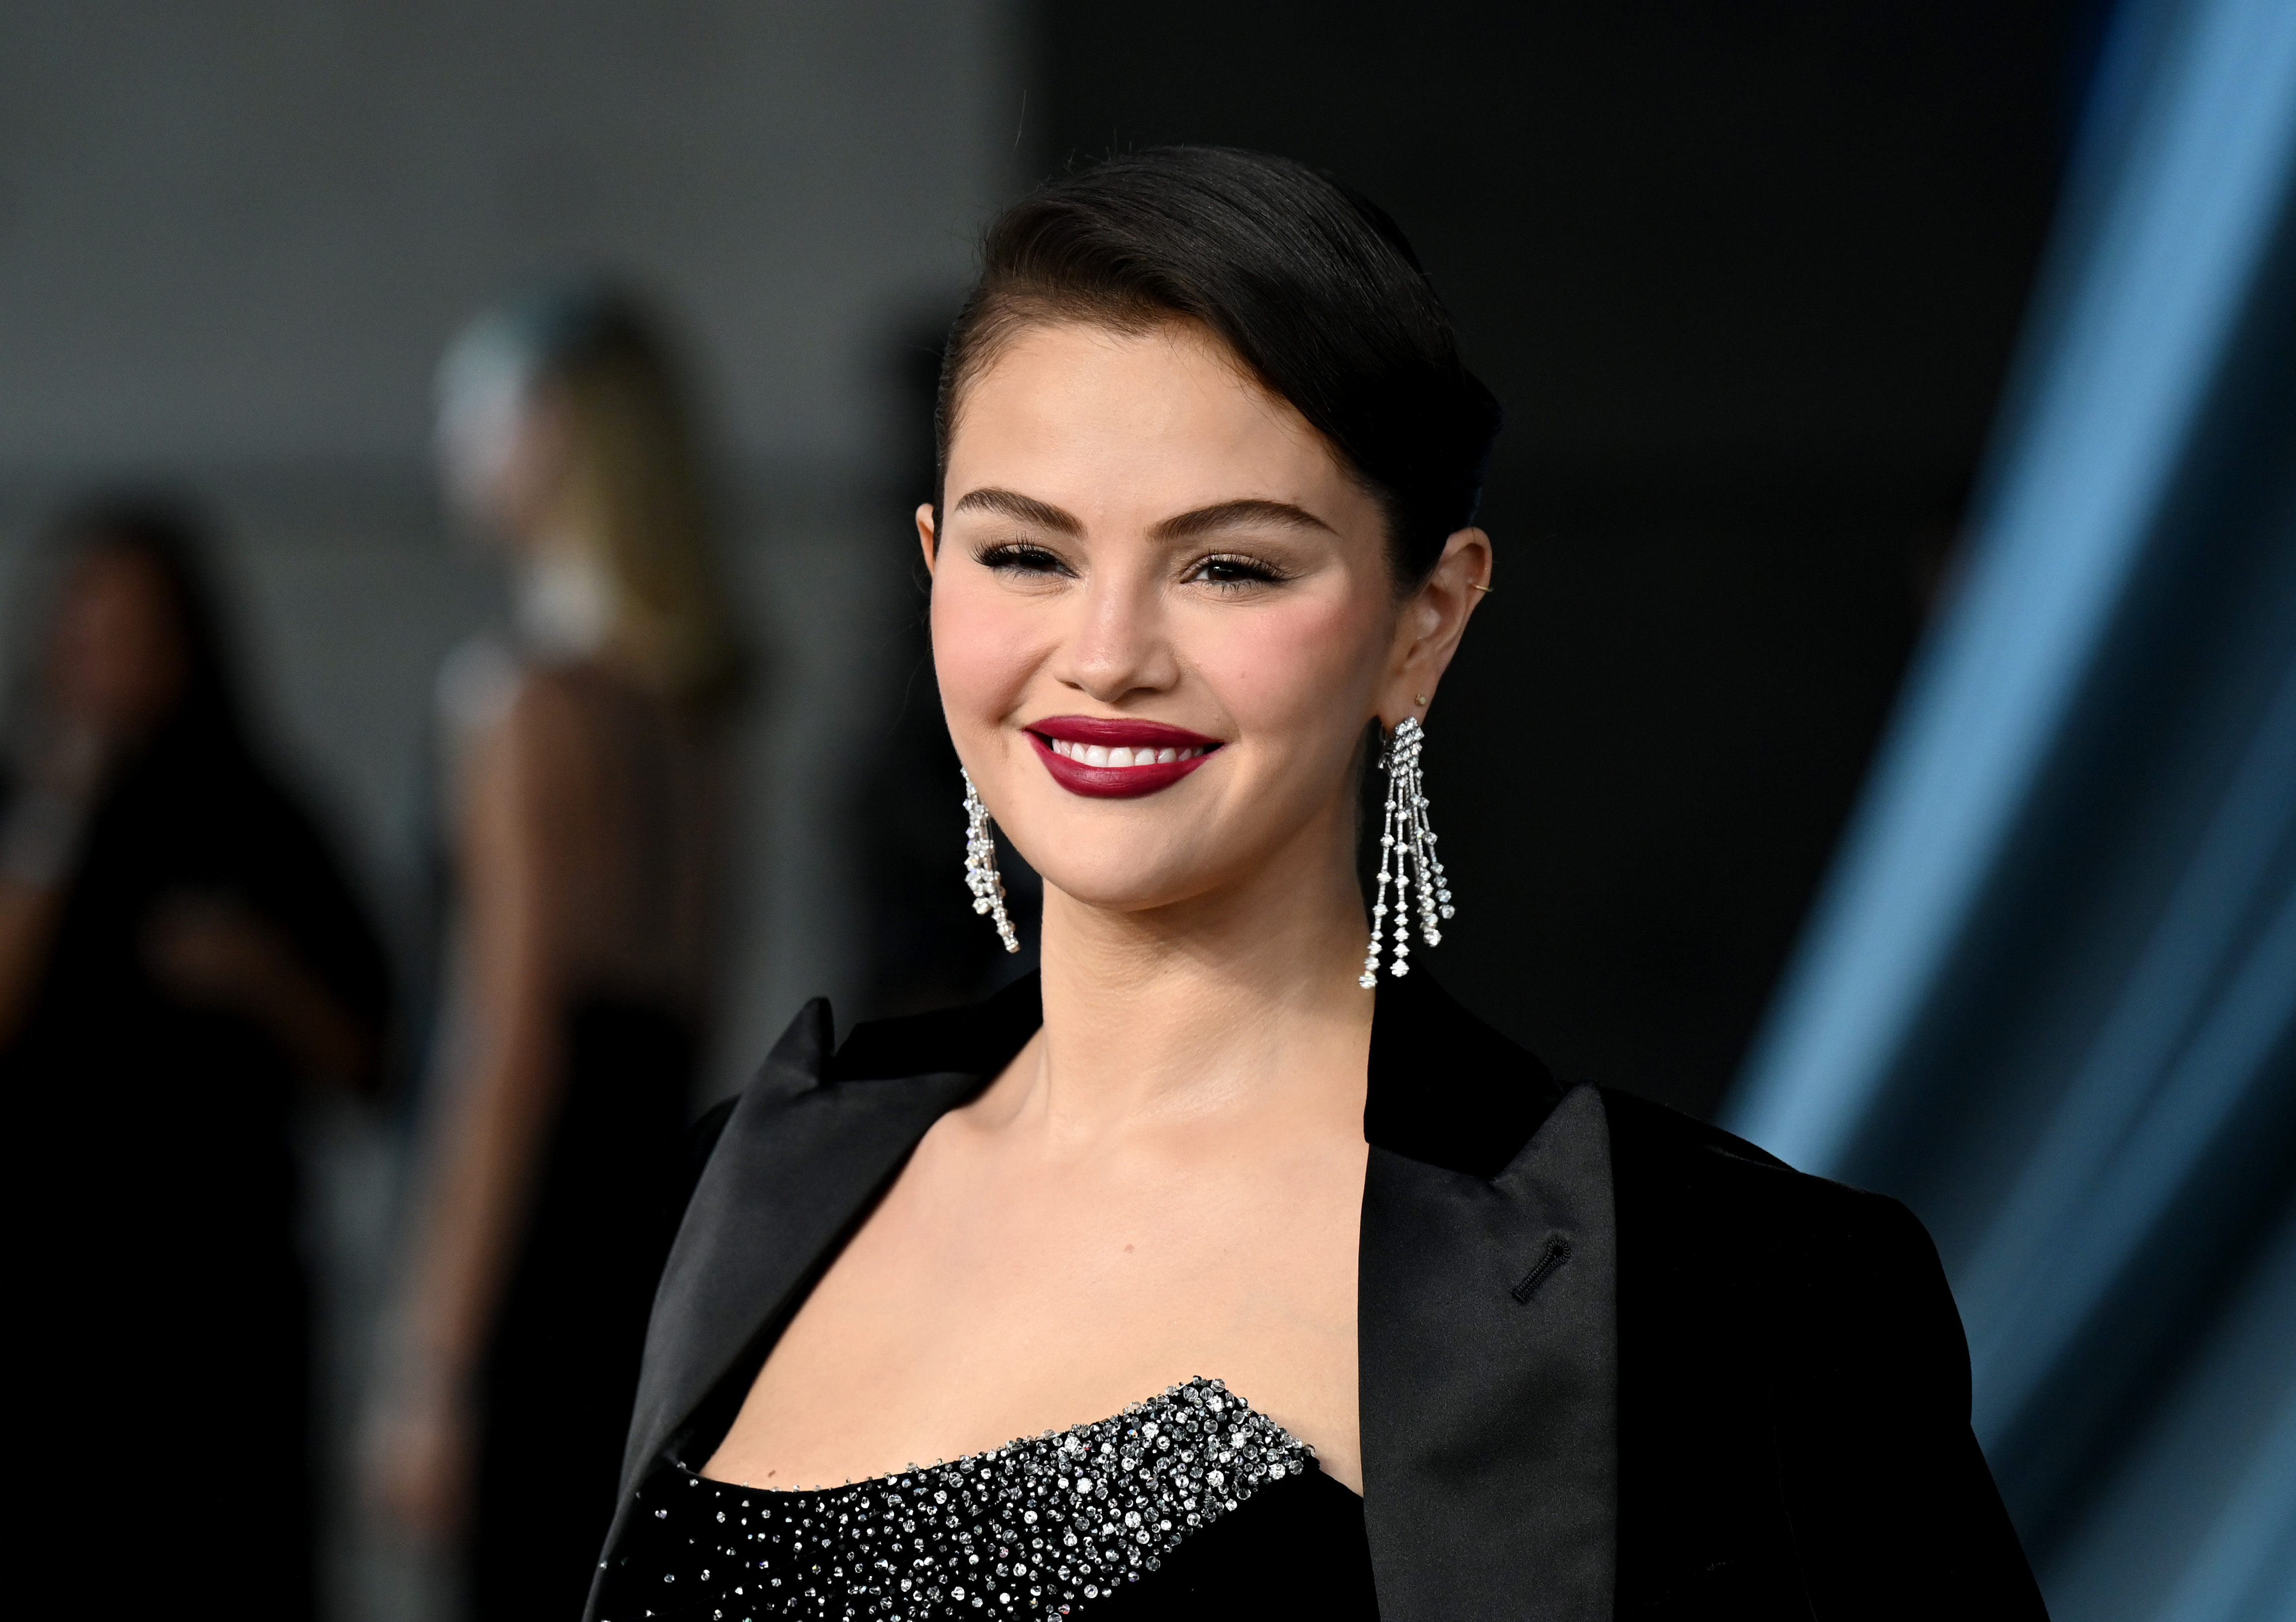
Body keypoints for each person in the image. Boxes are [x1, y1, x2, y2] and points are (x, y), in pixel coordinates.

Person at [588, 149, 2049, 1621]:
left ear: (1425, 621)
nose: (1105, 655)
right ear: (933, 569)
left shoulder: (1720, 1296)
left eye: (1227, 567)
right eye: (1025, 552)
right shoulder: (732, 1200)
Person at [364, 284, 740, 1621]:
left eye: (467, 411)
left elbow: (503, 1047)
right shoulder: (689, 709)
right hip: (652, 1262)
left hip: (531, 1275)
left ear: (548, 428)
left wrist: (433, 1361)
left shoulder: (518, 700)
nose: (445, 447)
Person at [3, 497, 391, 1622]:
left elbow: (376, 1059)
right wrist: (56, 811)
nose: (110, 663)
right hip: (48, 1305)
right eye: (88, 633)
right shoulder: (27, 809)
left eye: (137, 632)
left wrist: (261, 977)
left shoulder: (263, 819)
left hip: (219, 1305)